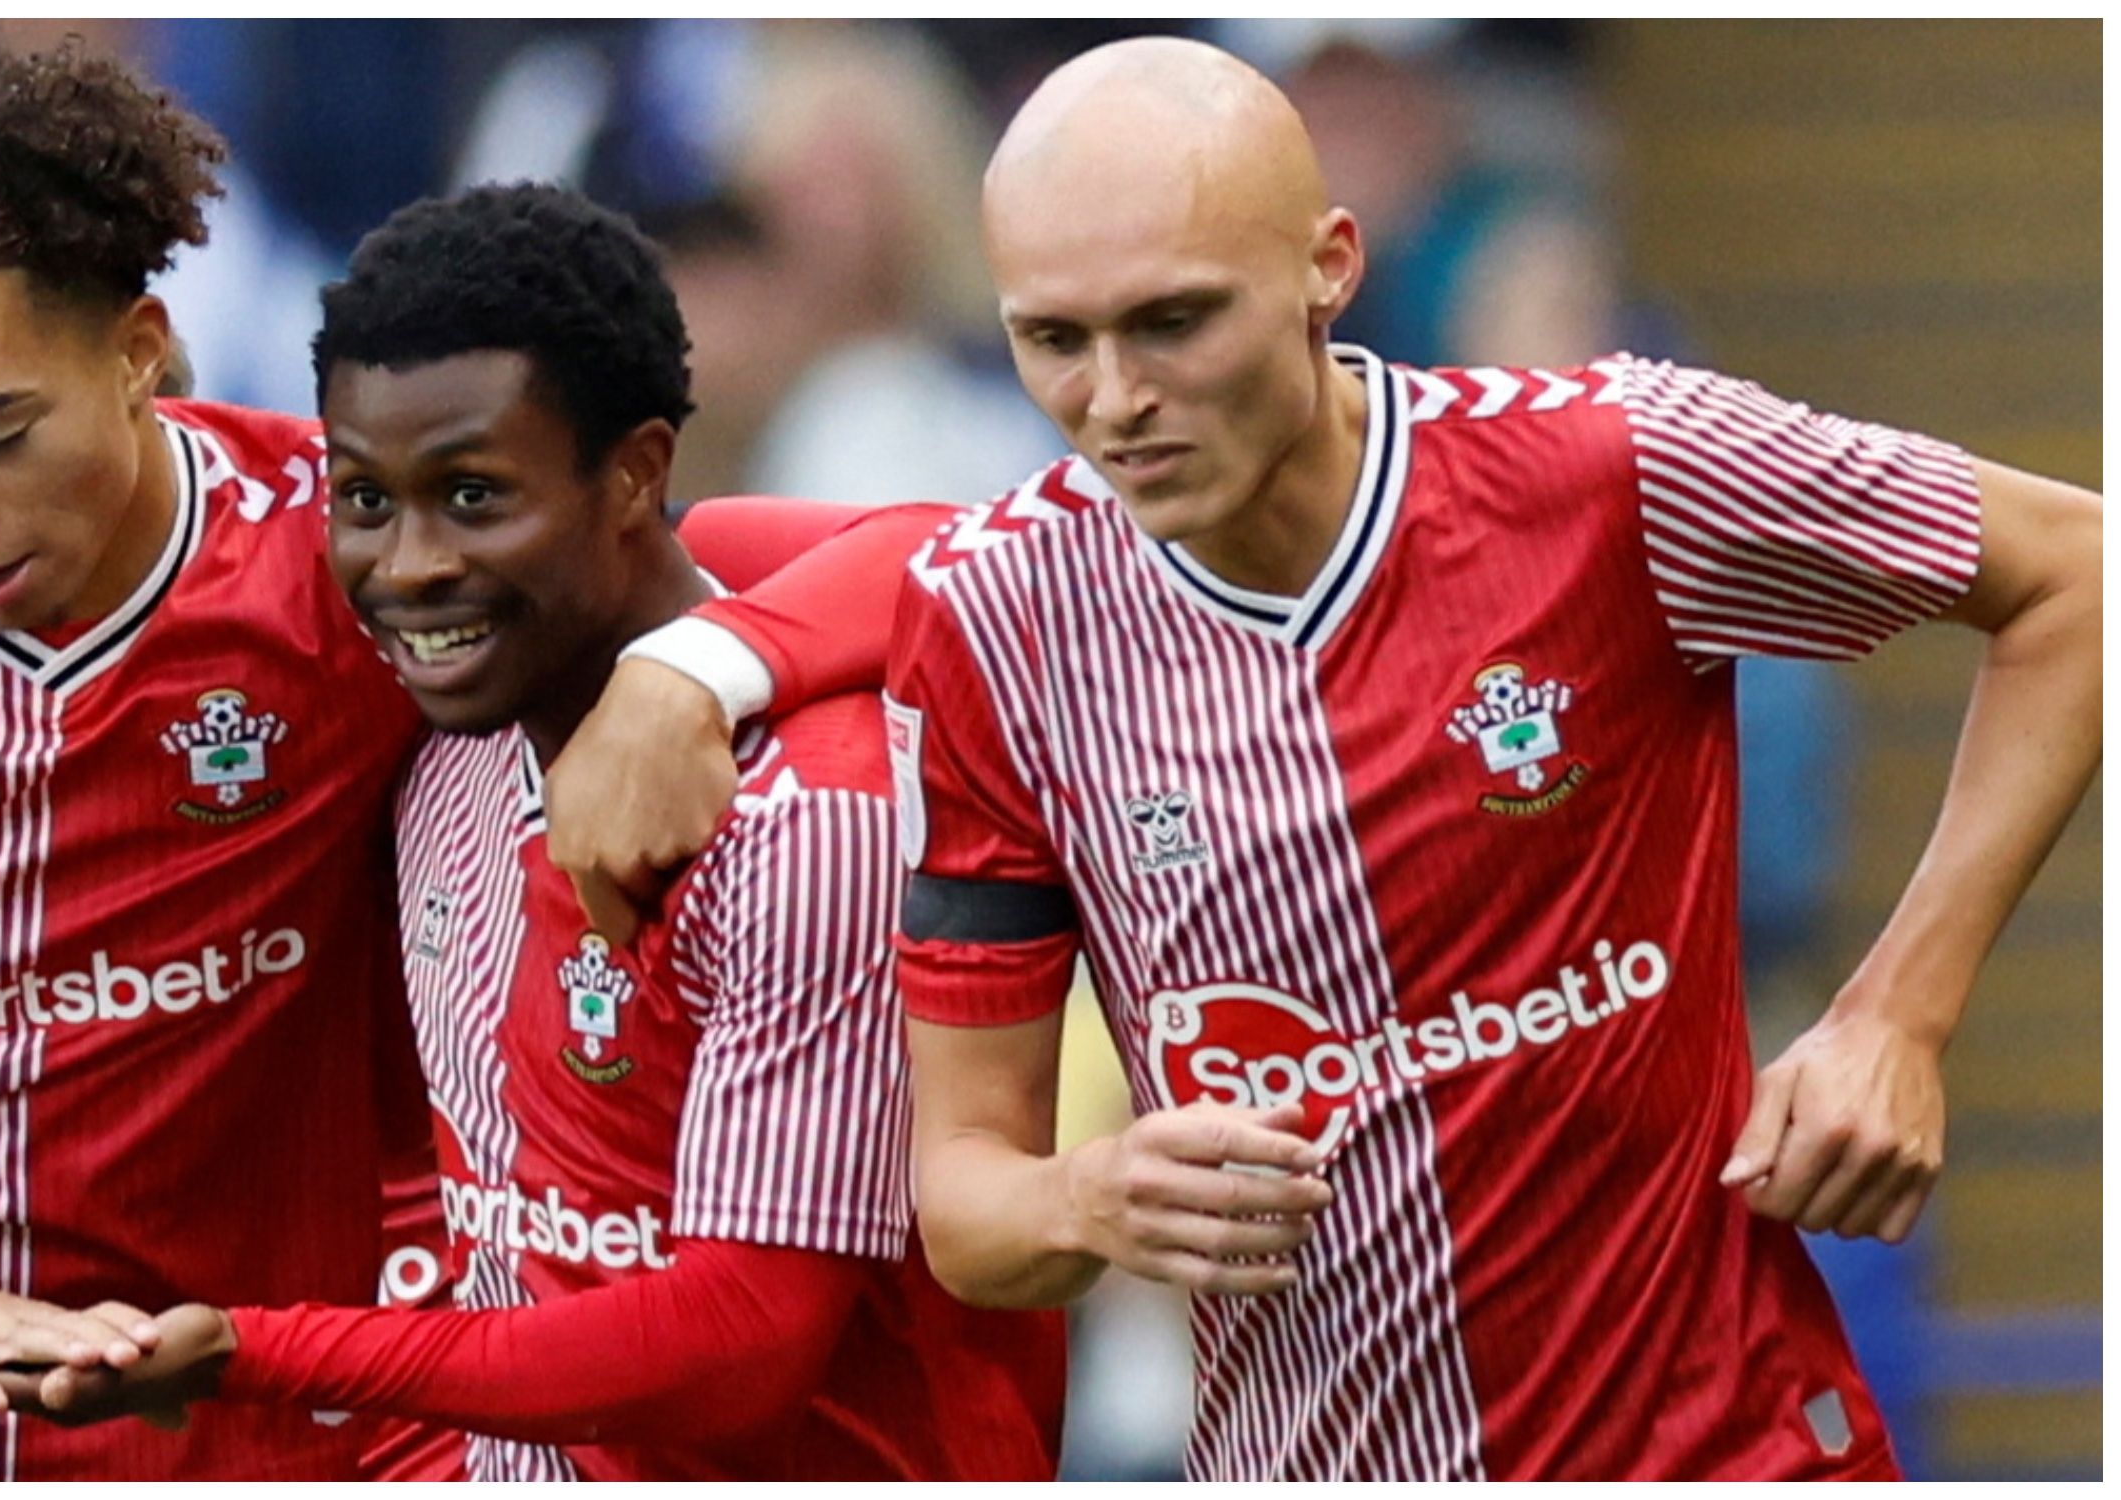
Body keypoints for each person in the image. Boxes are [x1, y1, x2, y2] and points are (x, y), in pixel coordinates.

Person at [0, 40, 909, 1482]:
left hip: (216, 1443)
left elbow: (936, 556)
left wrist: (701, 670)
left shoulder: (339, 548)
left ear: (136, 353)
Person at [884, 38, 2099, 1481]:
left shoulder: (1613, 470)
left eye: (1174, 321)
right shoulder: (994, 623)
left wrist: (1898, 1016)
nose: (1115, 399)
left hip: (1724, 1450)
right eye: (1054, 340)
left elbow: (2082, 573)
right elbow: (965, 1204)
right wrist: (1087, 1201)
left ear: (1328, 265)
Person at [0, 182, 1066, 1479]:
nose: (411, 563)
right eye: (366, 500)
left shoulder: (805, 818)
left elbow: (736, 1352)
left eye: (475, 495)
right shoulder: (439, 740)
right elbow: (475, 1229)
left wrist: (255, 1352)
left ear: (636, 474)